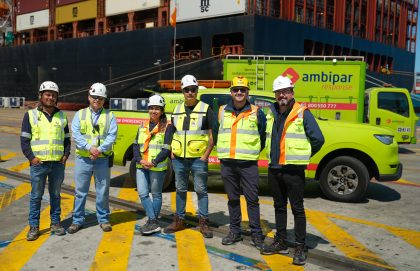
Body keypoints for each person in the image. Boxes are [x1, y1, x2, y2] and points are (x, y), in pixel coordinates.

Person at [261, 75, 324, 266]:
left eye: (285, 91)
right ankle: (280, 240)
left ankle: (300, 246)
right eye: (279, 92)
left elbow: (318, 139)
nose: (282, 95)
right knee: (279, 206)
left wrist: (304, 155)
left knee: (297, 208)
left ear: (292, 92)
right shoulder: (270, 113)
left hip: (294, 170)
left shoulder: (302, 112)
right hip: (275, 168)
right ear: (275, 94)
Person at [216, 76, 266, 250]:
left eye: (242, 90)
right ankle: (235, 231)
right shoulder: (222, 110)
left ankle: (256, 234)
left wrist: (250, 152)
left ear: (247, 92)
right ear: (231, 92)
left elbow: (262, 137)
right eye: (236, 89)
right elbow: (217, 133)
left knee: (252, 199)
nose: (239, 92)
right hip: (228, 163)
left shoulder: (256, 112)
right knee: (233, 199)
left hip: (248, 164)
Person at [164, 74, 215, 238]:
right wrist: (172, 151)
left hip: (198, 158)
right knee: (180, 189)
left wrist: (206, 155)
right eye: (187, 90)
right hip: (179, 158)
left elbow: (213, 133)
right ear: (182, 91)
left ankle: (204, 222)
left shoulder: (206, 109)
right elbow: (172, 131)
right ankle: (179, 220)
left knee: (201, 190)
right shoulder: (177, 110)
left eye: (193, 89)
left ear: (197, 90)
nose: (190, 93)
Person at [20, 81, 71, 241]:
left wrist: (65, 155)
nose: (50, 98)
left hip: (57, 164)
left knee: (56, 195)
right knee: (36, 196)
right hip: (39, 164)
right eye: (48, 94)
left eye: (53, 95)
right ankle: (34, 227)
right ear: (41, 96)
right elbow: (24, 140)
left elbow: (67, 140)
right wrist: (31, 158)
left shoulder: (62, 116)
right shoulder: (30, 115)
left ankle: (55, 223)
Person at [67, 83, 117, 234]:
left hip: (102, 159)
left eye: (101, 98)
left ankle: (103, 219)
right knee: (80, 191)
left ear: (104, 100)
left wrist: (99, 150)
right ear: (89, 97)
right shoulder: (80, 114)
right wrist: (90, 148)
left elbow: (112, 136)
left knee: (102, 191)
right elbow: (76, 135)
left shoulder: (110, 116)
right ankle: (77, 221)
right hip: (83, 159)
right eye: (95, 97)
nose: (97, 100)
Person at [133, 94, 172, 235]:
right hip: (141, 165)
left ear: (162, 110)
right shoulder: (142, 125)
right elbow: (135, 144)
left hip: (157, 166)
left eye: (157, 108)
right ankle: (154, 221)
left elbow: (167, 148)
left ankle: (152, 222)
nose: (154, 111)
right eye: (151, 108)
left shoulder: (167, 126)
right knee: (143, 193)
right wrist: (139, 160)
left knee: (156, 194)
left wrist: (154, 162)